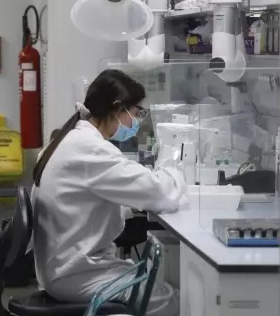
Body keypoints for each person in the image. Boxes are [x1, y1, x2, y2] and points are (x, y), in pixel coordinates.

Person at [31, 69, 186, 304]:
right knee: (169, 300)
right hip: (74, 274)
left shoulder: (72, 138)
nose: (136, 122)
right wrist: (173, 166)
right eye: (136, 113)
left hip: (64, 266)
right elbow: (159, 192)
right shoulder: (89, 148)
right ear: (117, 107)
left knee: (151, 282)